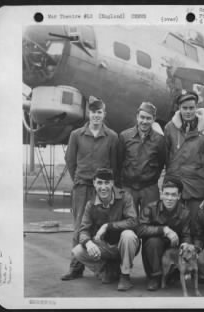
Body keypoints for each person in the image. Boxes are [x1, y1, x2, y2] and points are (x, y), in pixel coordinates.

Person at [62, 96, 119, 280]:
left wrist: (108, 187)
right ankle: (75, 268)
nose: (96, 116)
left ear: (104, 114)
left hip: (102, 189)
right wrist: (79, 179)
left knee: (103, 226)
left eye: (99, 112)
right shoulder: (76, 135)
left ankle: (102, 265)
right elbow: (70, 160)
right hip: (82, 186)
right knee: (79, 226)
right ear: (89, 113)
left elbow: (115, 165)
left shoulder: (112, 136)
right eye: (93, 112)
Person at [71, 168, 140, 291]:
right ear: (94, 183)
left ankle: (125, 276)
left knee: (128, 235)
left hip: (122, 245)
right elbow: (83, 230)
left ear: (112, 183)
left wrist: (108, 226)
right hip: (105, 247)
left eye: (107, 183)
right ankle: (106, 270)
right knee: (77, 251)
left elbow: (133, 221)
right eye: (100, 183)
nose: (103, 187)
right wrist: (88, 243)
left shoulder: (125, 197)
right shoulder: (90, 204)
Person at [164, 90, 204, 237]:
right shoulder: (169, 128)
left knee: (194, 226)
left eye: (191, 108)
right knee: (173, 225)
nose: (188, 111)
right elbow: (166, 155)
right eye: (184, 108)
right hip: (174, 184)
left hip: (196, 185)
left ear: (196, 107)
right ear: (179, 108)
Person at [137, 177, 191, 291]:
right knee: (153, 241)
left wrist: (185, 245)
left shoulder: (185, 212)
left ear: (179, 195)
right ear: (161, 194)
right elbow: (140, 229)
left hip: (174, 249)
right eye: (166, 194)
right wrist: (164, 230)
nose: (169, 198)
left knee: (186, 247)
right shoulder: (151, 208)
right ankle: (155, 277)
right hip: (153, 253)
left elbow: (187, 234)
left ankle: (174, 274)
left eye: (173, 195)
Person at [118, 102, 166, 215]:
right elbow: (118, 162)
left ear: (154, 119)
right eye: (142, 117)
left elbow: (161, 162)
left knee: (150, 221)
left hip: (149, 188)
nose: (144, 121)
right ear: (137, 117)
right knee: (128, 222)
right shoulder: (124, 136)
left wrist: (151, 177)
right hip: (128, 187)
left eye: (148, 118)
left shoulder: (160, 140)